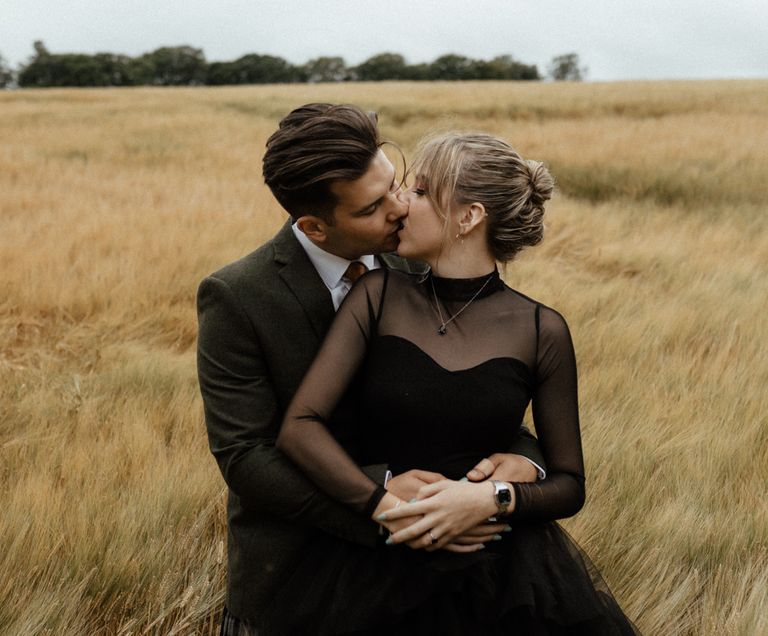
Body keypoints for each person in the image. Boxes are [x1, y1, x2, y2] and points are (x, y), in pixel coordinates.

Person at [197, 105, 547, 634]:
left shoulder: (419, 260)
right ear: (314, 226)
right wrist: (386, 502)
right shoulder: (238, 297)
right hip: (299, 581)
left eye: (396, 184)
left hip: (437, 581)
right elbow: (246, 458)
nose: (399, 208)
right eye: (371, 208)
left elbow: (478, 391)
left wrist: (524, 461)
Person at [273, 131, 639, 634]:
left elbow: (569, 485)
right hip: (379, 568)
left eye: (421, 192)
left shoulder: (540, 329)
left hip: (505, 574)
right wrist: (385, 508)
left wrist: (493, 499)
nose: (402, 202)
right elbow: (300, 426)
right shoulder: (378, 295)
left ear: (467, 218)